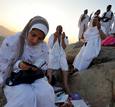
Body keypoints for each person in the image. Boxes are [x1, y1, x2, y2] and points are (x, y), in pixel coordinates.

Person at [0, 16, 55, 107]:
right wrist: (18, 65)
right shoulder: (13, 41)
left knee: (46, 93)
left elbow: (45, 61)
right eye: (33, 35)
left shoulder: (43, 47)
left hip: (33, 77)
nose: (35, 40)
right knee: (26, 96)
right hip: (13, 76)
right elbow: (2, 63)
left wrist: (44, 69)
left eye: (40, 38)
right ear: (28, 29)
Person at [47, 25, 70, 93]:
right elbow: (50, 46)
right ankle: (48, 83)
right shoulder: (52, 36)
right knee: (50, 65)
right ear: (56, 29)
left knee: (65, 68)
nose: (59, 30)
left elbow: (64, 47)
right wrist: (55, 37)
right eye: (58, 28)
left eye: (60, 29)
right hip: (53, 54)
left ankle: (65, 85)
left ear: (62, 30)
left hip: (61, 55)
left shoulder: (64, 37)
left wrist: (62, 39)